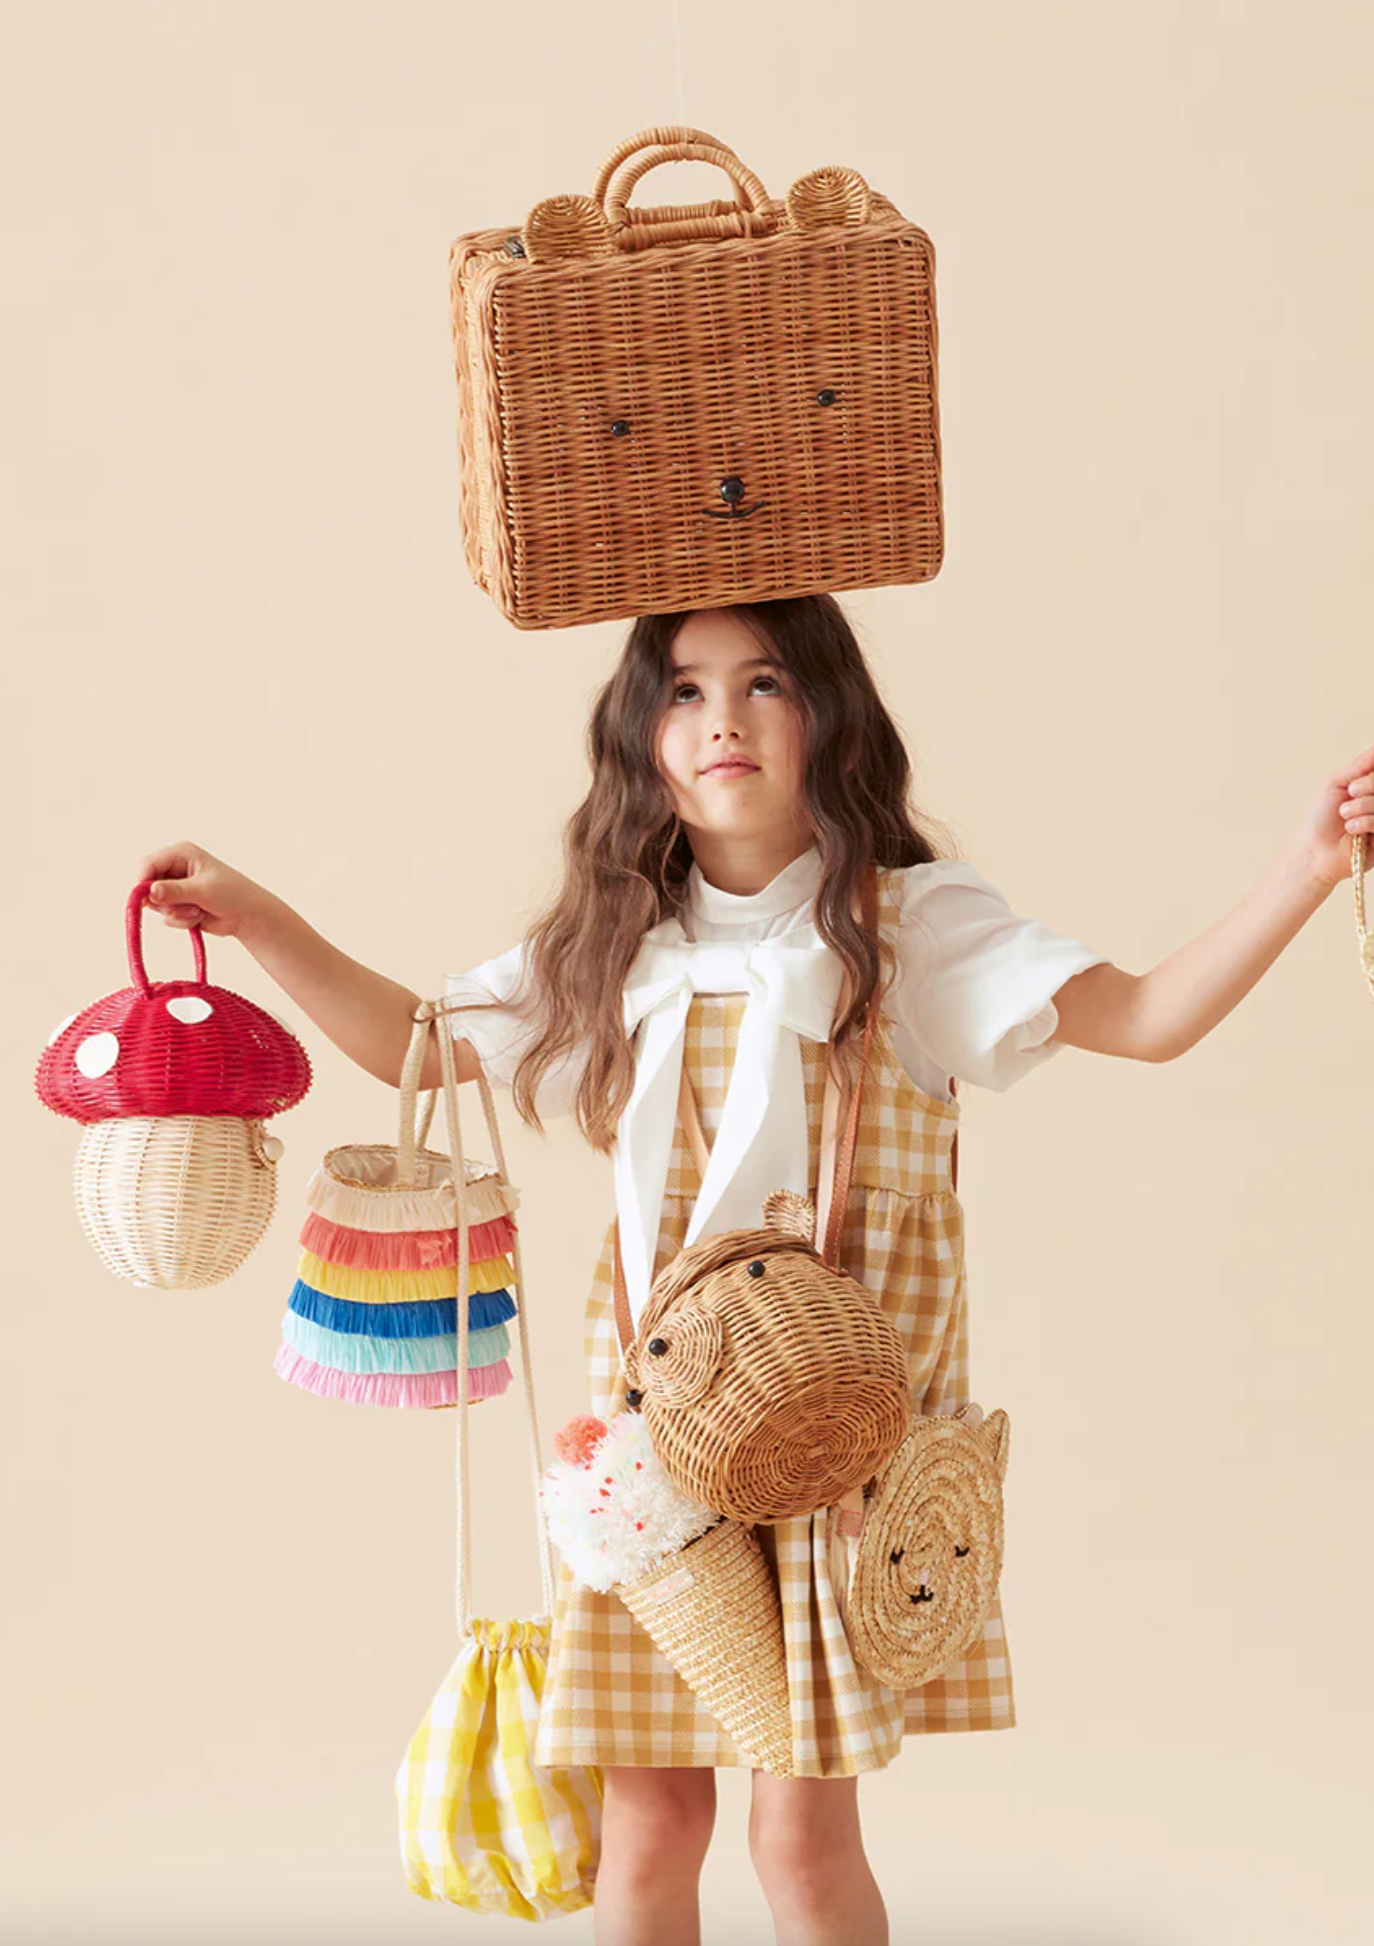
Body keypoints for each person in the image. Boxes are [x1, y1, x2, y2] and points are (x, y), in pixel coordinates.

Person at [137, 594, 1372, 1946]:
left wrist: (1306, 868)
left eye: (763, 681)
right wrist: (254, 916)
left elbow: (1142, 1016)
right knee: (650, 1822)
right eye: (681, 690)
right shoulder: (612, 945)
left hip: (830, 1437)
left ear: (825, 715)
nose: (720, 716)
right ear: (639, 739)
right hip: (656, 1442)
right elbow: (423, 1045)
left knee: (799, 1834)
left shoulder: (908, 928)